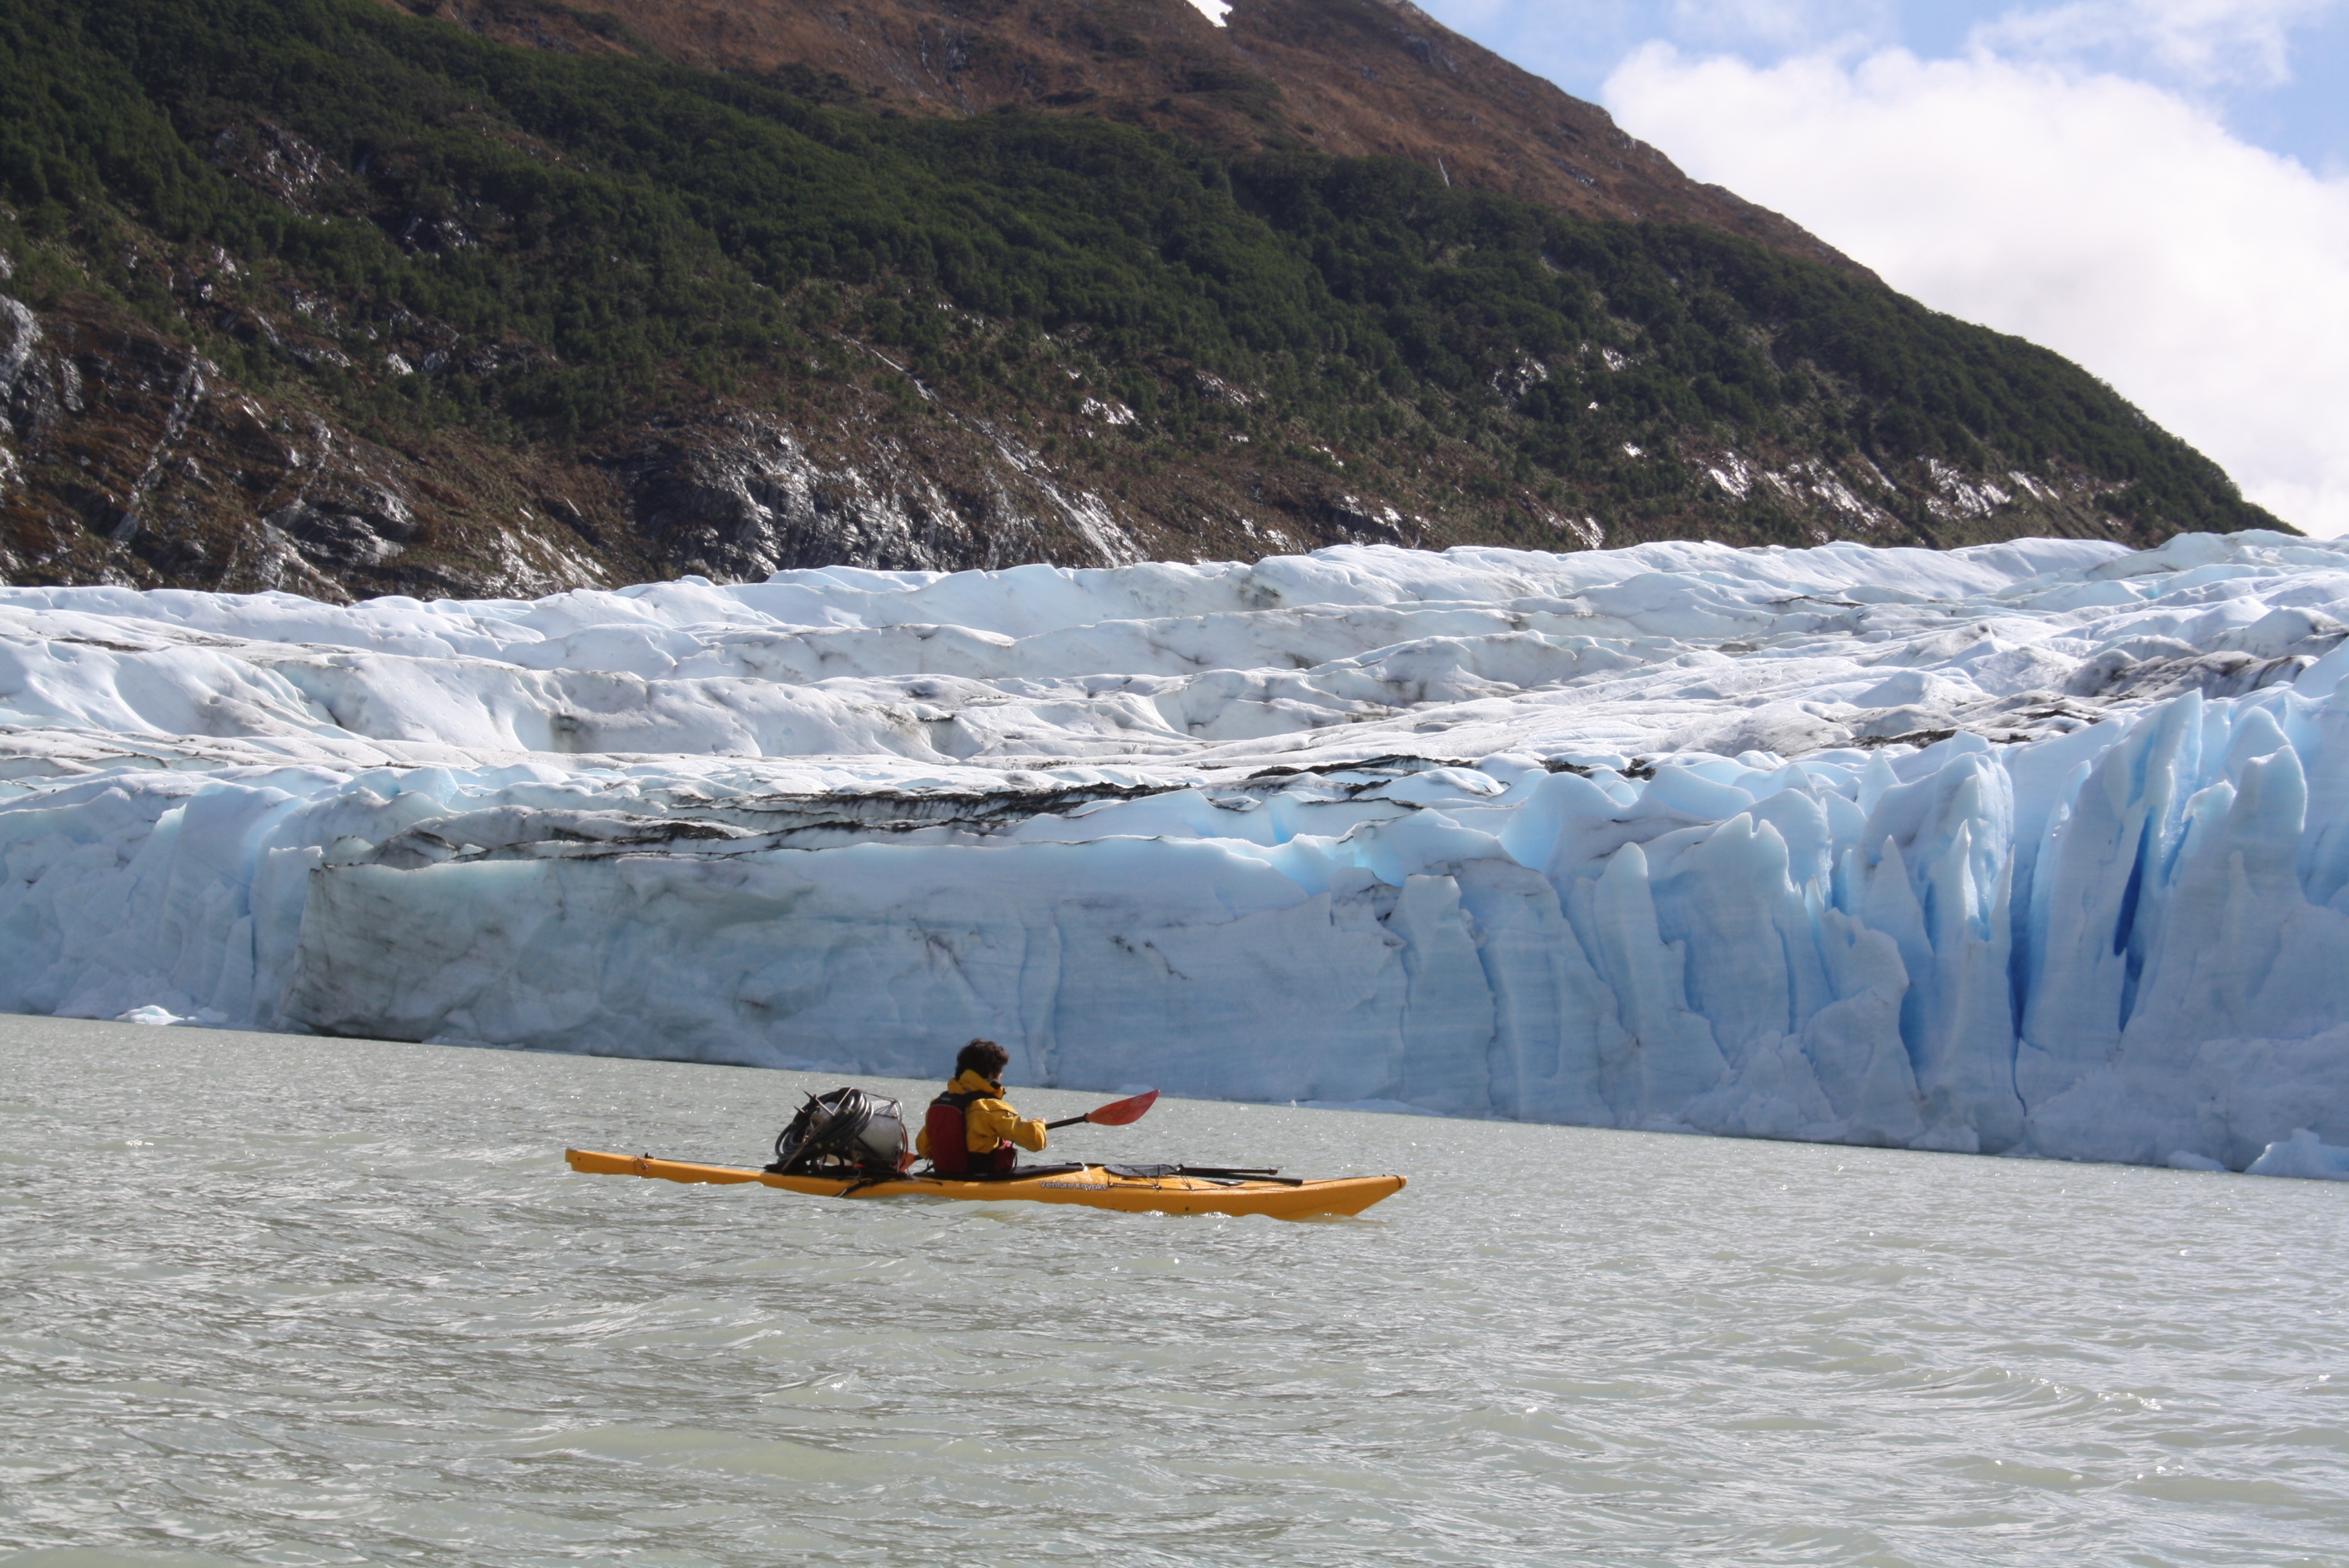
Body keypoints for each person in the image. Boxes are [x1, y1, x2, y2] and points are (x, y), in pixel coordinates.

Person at [917, 1039, 1047, 1176]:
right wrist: (1040, 1125)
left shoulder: (938, 1104)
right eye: (1000, 1071)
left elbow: (923, 1149)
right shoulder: (988, 1107)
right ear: (991, 1074)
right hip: (978, 1178)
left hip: (943, 1176)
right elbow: (1036, 1141)